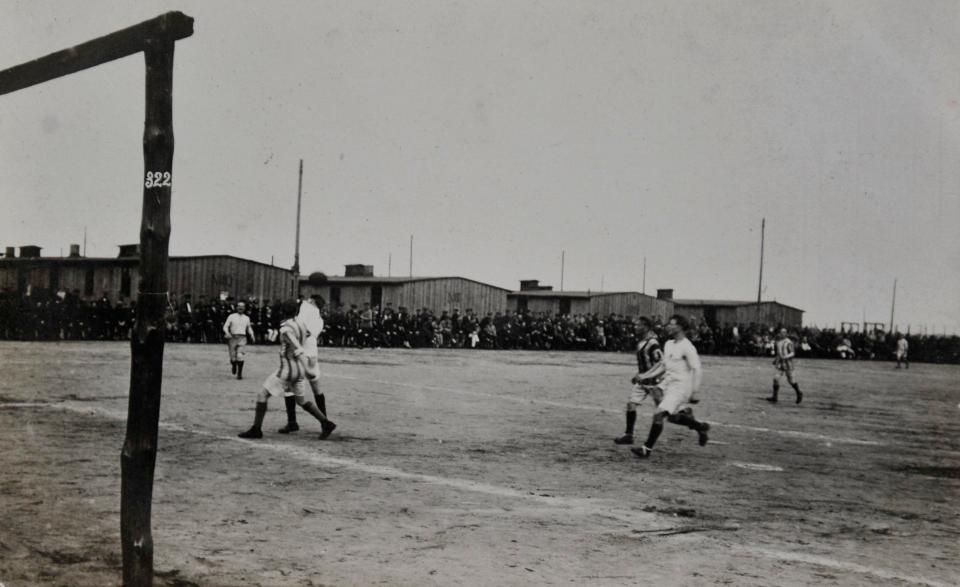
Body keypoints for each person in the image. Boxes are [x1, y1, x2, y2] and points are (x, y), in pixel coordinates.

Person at [238, 301, 335, 440]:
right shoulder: (301, 324)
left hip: (288, 368)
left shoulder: (285, 328)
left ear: (283, 312)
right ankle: (326, 423)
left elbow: (298, 348)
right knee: (301, 401)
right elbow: (305, 339)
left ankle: (256, 429)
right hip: (299, 370)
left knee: (262, 395)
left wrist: (307, 368)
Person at [631, 315, 710, 459]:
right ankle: (700, 427)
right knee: (672, 417)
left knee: (659, 414)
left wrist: (695, 391)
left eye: (671, 324)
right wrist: (644, 376)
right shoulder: (668, 344)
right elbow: (663, 366)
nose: (668, 326)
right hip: (667, 383)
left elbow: (697, 369)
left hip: (680, 387)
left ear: (680, 327)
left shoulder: (687, 347)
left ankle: (646, 449)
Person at [278, 296, 335, 437]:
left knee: (290, 388)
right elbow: (310, 333)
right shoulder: (319, 319)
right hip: (312, 353)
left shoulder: (305, 308)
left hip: (300, 353)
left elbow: (297, 326)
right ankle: (324, 422)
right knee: (316, 388)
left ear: (312, 301)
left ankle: (292, 422)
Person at [615, 317, 663, 445]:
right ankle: (628, 435)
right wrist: (638, 375)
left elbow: (660, 363)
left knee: (669, 412)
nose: (635, 328)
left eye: (638, 325)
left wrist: (645, 375)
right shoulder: (642, 342)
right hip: (643, 382)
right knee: (631, 404)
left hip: (656, 383)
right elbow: (645, 363)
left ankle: (698, 426)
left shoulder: (653, 343)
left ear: (646, 326)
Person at [767, 327, 802, 404]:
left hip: (788, 363)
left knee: (791, 380)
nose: (782, 334)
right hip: (780, 363)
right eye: (781, 332)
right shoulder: (778, 342)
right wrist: (776, 359)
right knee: (775, 378)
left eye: (784, 332)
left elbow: (792, 353)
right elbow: (779, 353)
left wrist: (785, 357)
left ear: (786, 333)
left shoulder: (788, 342)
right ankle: (774, 397)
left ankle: (799, 393)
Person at [222, 301, 255, 379]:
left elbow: (249, 327)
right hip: (232, 338)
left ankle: (239, 374)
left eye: (242, 306)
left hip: (242, 338)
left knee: (240, 356)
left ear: (244, 308)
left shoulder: (246, 318)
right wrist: (227, 333)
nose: (241, 308)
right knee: (233, 358)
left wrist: (252, 334)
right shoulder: (231, 316)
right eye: (239, 306)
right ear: (236, 307)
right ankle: (234, 364)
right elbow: (225, 326)